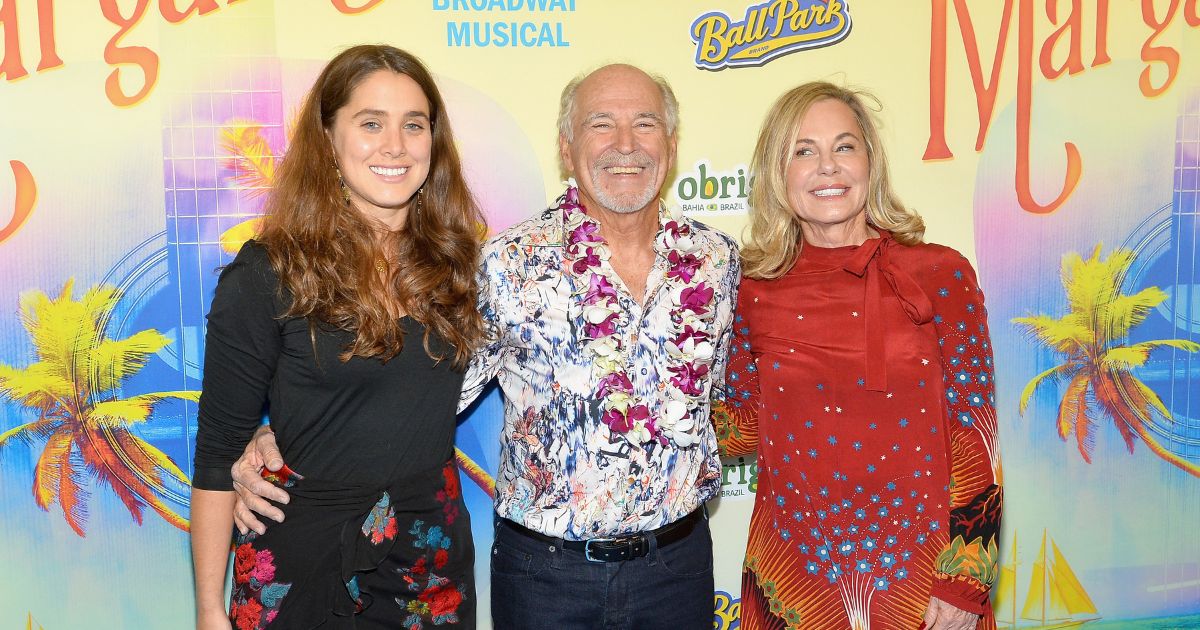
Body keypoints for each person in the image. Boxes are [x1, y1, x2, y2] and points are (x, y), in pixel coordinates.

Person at [229, 64, 742, 630]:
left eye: (645, 124)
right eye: (601, 124)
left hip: (679, 567)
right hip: (546, 576)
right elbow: (420, 389)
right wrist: (287, 431)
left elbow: (724, 393)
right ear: (567, 150)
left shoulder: (717, 262)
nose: (625, 144)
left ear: (670, 144)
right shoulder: (504, 265)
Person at [190, 45, 484, 629]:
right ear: (328, 138)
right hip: (300, 554)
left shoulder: (465, 268)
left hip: (430, 555)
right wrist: (207, 607)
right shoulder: (269, 273)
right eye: (370, 123)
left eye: (414, 125)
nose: (395, 145)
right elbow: (220, 448)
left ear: (434, 141)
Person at [713, 82, 1003, 629]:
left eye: (844, 147)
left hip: (924, 581)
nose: (827, 167)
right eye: (804, 150)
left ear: (871, 163)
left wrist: (964, 580)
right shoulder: (748, 289)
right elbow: (740, 429)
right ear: (778, 172)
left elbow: (976, 432)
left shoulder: (940, 274)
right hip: (793, 578)